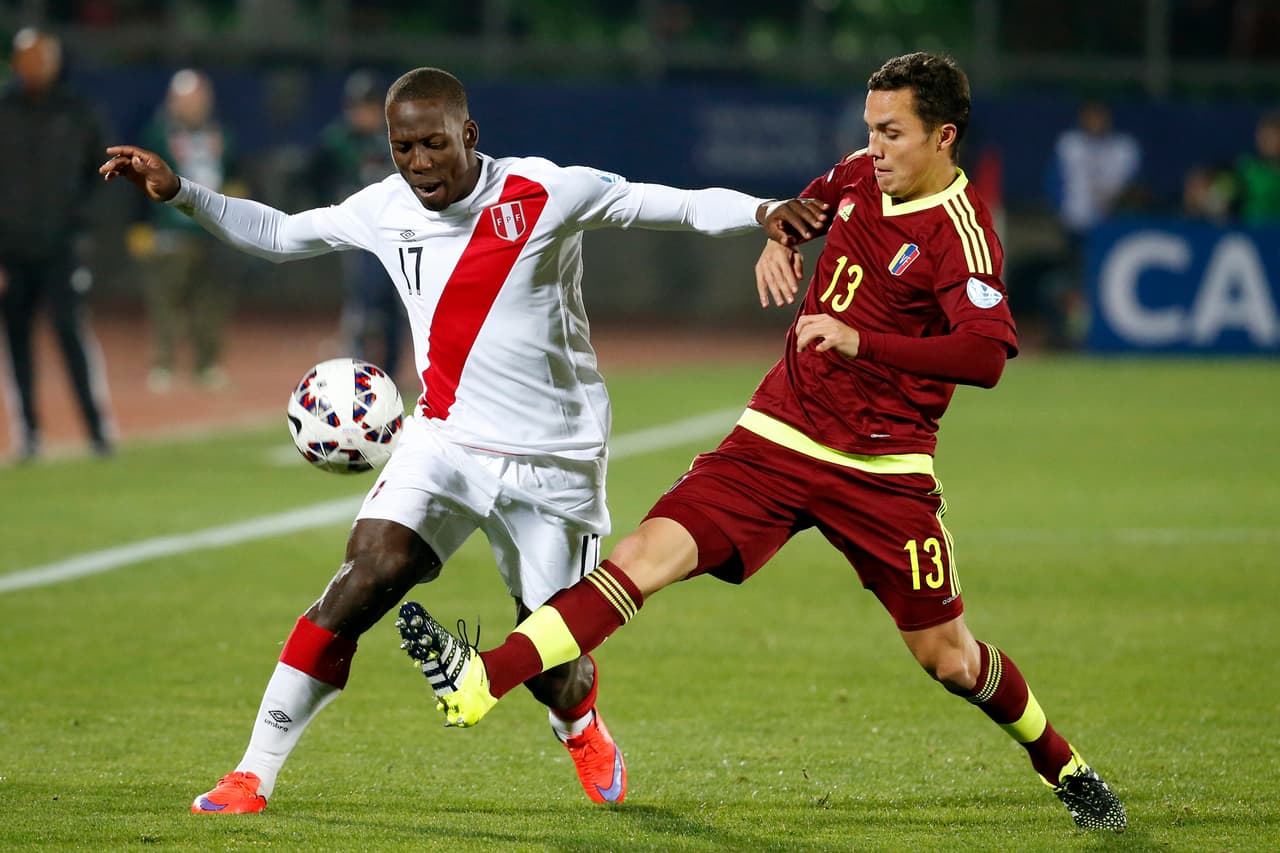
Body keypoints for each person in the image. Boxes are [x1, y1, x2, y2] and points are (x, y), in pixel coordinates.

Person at [396, 52, 1128, 833]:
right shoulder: (855, 176)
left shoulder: (962, 233)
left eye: (892, 133)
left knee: (949, 657)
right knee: (644, 553)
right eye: (869, 129)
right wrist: (779, 239)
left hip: (881, 469)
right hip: (776, 436)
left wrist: (861, 339)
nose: (873, 148)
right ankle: (483, 680)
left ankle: (1065, 765)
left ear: (944, 136)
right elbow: (802, 208)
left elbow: (986, 353)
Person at [100, 66, 822, 813]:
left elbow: (667, 204)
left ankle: (578, 721)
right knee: (365, 574)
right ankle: (253, 770)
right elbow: (282, 233)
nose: (417, 164)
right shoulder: (384, 206)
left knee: (552, 661)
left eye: (433, 144)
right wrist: (182, 193)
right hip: (444, 440)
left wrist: (764, 209)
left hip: (557, 458)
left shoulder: (544, 192)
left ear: (468, 135)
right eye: (402, 147)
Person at [0, 27, 115, 460]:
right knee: (16, 342)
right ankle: (29, 433)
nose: (37, 66)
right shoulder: (3, 112)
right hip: (10, 252)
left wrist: (82, 226)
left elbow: (105, 174)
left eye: (43, 58)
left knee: (71, 334)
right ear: (16, 63)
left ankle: (97, 429)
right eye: (29, 58)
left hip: (60, 247)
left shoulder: (78, 112)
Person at [136, 69, 240, 392]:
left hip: (211, 230)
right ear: (173, 101)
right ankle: (163, 365)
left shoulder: (223, 134)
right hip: (170, 230)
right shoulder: (156, 135)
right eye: (188, 99)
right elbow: (137, 180)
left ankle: (206, 364)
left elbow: (235, 175)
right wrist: (139, 225)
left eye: (199, 98)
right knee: (165, 302)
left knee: (210, 302)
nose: (195, 105)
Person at [311, 70, 409, 380]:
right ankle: (359, 369)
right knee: (364, 301)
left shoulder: (397, 138)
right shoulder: (337, 140)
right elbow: (315, 176)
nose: (361, 112)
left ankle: (392, 372)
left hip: (400, 233)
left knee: (398, 303)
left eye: (368, 105)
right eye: (357, 105)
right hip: (360, 236)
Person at [1044, 100, 1142, 348]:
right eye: (1091, 117)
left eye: (1100, 117)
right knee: (1073, 285)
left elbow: (1136, 190)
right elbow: (1054, 182)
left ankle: (1101, 335)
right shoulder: (1070, 145)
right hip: (1076, 227)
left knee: (1103, 284)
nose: (1096, 123)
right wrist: (1060, 210)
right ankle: (1070, 336)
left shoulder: (1123, 149)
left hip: (1112, 230)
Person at [1233, 110, 1280, 224]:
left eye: (1271, 136)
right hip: (1252, 235)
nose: (1264, 140)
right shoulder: (1245, 168)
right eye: (1261, 135)